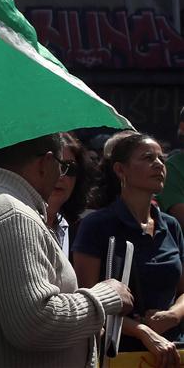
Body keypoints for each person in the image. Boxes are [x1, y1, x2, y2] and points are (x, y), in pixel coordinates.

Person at [0, 133, 133, 368]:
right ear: (46, 163)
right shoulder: (13, 216)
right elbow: (35, 324)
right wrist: (106, 295)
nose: (60, 176)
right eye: (61, 167)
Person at [73, 132, 184, 366]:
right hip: (119, 355)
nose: (158, 164)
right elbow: (88, 302)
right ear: (120, 170)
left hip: (174, 352)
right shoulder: (96, 226)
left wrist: (173, 315)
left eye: (161, 159)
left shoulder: (171, 226)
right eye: (147, 157)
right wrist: (143, 330)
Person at [45, 132, 92, 258]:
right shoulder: (17, 221)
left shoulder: (72, 229)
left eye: (69, 168)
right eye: (53, 165)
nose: (61, 176)